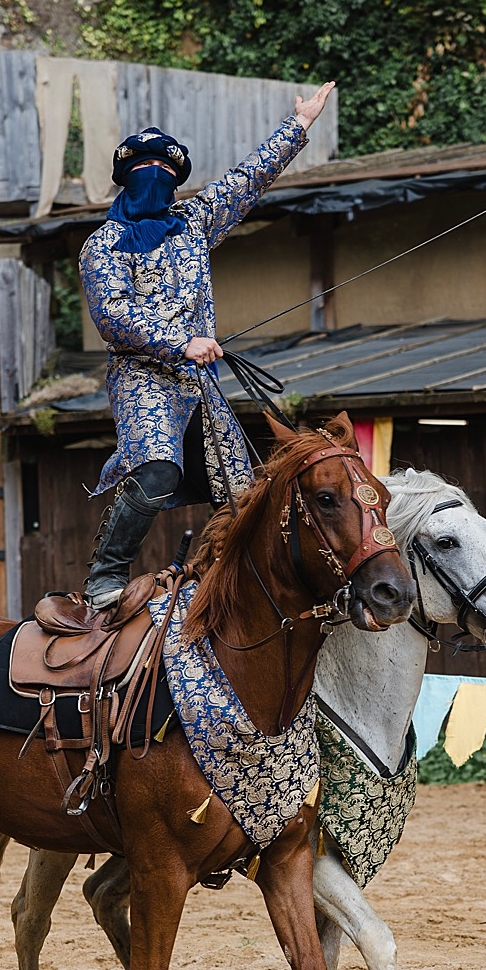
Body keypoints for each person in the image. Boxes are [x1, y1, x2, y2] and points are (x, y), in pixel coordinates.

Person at [78, 82, 336, 608]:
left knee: (243, 491)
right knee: (156, 466)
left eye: (166, 173)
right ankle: (105, 574)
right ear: (127, 181)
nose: (157, 180)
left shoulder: (193, 224)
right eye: (145, 172)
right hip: (142, 378)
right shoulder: (101, 245)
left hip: (200, 383)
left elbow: (247, 180)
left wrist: (300, 126)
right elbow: (112, 316)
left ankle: (251, 581)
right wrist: (180, 341)